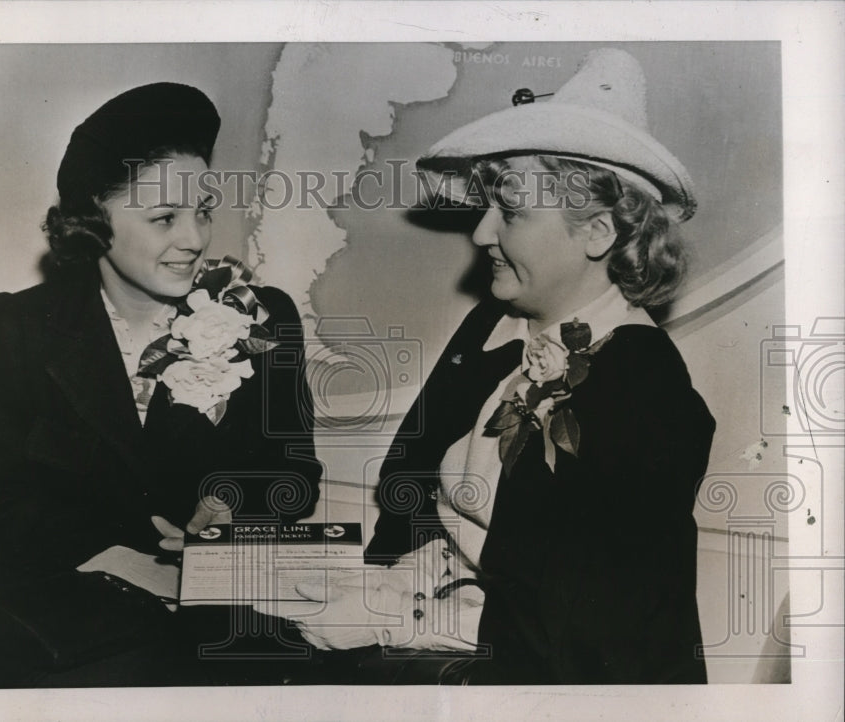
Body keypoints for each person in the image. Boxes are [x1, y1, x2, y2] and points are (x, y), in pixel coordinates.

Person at [289, 49, 715, 684]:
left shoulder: (641, 386)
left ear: (596, 232)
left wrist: (399, 620)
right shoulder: (496, 327)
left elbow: (576, 629)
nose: (482, 233)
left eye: (510, 212)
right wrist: (387, 590)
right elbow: (445, 516)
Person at [0, 83, 323, 687]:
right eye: (164, 218)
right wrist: (123, 561)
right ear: (94, 221)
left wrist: (233, 505)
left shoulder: (261, 316)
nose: (196, 239)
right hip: (56, 622)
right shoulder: (16, 326)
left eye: (203, 211)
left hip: (212, 627)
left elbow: (294, 473)